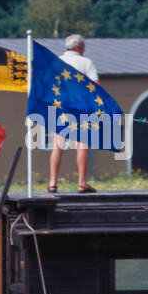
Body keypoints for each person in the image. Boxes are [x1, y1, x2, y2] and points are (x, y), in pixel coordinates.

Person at [48, 34, 99, 194]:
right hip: (80, 107)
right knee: (82, 144)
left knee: (58, 144)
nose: (84, 49)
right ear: (78, 47)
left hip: (61, 107)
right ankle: (82, 183)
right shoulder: (86, 62)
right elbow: (95, 86)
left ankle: (52, 183)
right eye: (83, 46)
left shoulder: (56, 62)